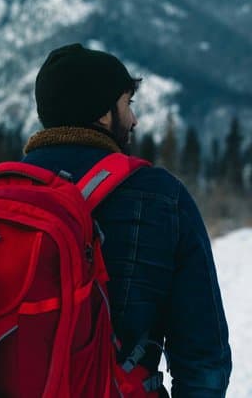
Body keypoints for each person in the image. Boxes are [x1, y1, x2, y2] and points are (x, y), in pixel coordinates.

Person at [21, 43, 232, 396]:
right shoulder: (161, 196)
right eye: (127, 104)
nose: (133, 119)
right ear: (104, 114)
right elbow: (203, 357)